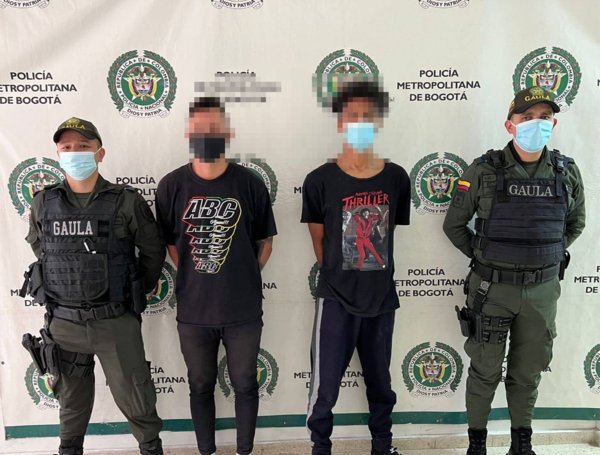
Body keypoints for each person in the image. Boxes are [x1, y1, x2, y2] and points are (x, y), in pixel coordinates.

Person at [443, 87, 586, 455]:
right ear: (510, 125)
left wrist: (546, 255)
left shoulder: (567, 171)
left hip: (541, 292)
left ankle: (522, 444)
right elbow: (454, 225)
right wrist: (486, 255)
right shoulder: (483, 170)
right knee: (485, 370)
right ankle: (477, 445)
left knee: (528, 372)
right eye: (527, 117)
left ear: (553, 124)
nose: (536, 124)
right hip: (492, 290)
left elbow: (575, 223)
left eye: (544, 117)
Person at [23, 117, 166, 455]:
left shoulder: (126, 200)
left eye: (84, 146)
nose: (75, 152)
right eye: (67, 147)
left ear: (100, 154)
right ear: (58, 153)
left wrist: (134, 290)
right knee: (70, 404)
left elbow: (152, 251)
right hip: (63, 322)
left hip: (114, 320)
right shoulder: (43, 201)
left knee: (137, 398)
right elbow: (41, 249)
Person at [155, 97, 277, 455]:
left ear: (227, 133)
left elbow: (265, 242)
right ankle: (206, 451)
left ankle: (244, 451)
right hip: (194, 312)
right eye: (199, 128)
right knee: (200, 385)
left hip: (243, 311)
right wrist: (200, 277)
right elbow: (172, 245)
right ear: (188, 133)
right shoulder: (171, 186)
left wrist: (243, 276)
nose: (207, 134)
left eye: (214, 128)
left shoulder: (250, 184)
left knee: (245, 384)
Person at [301, 80, 411, 455]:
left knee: (381, 384)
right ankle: (320, 448)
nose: (360, 122)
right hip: (336, 299)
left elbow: (389, 233)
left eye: (367, 116)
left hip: (381, 300)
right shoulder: (319, 181)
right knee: (324, 388)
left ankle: (383, 445)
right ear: (340, 123)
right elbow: (319, 243)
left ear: (378, 122)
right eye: (352, 116)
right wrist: (341, 274)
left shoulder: (396, 178)